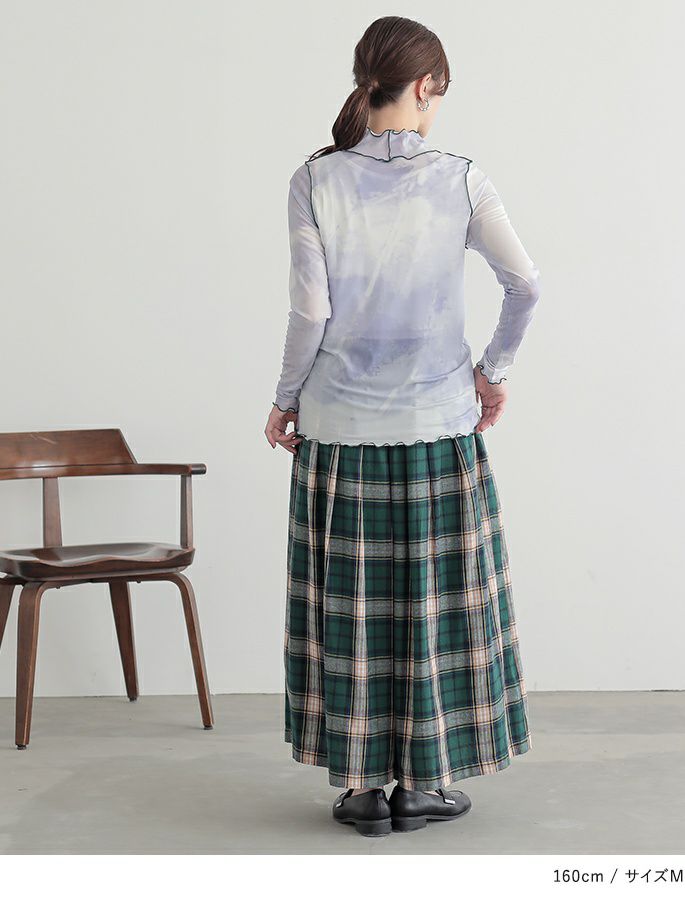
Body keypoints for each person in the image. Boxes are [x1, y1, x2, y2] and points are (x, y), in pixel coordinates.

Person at [265, 15, 540, 838]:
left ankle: (359, 789)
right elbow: (526, 285)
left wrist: (285, 397)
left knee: (350, 614)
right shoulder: (461, 180)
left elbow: (310, 312)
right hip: (438, 430)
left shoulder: (314, 179)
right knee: (434, 608)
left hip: (339, 433)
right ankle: (424, 783)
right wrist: (493, 371)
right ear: (425, 87)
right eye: (439, 94)